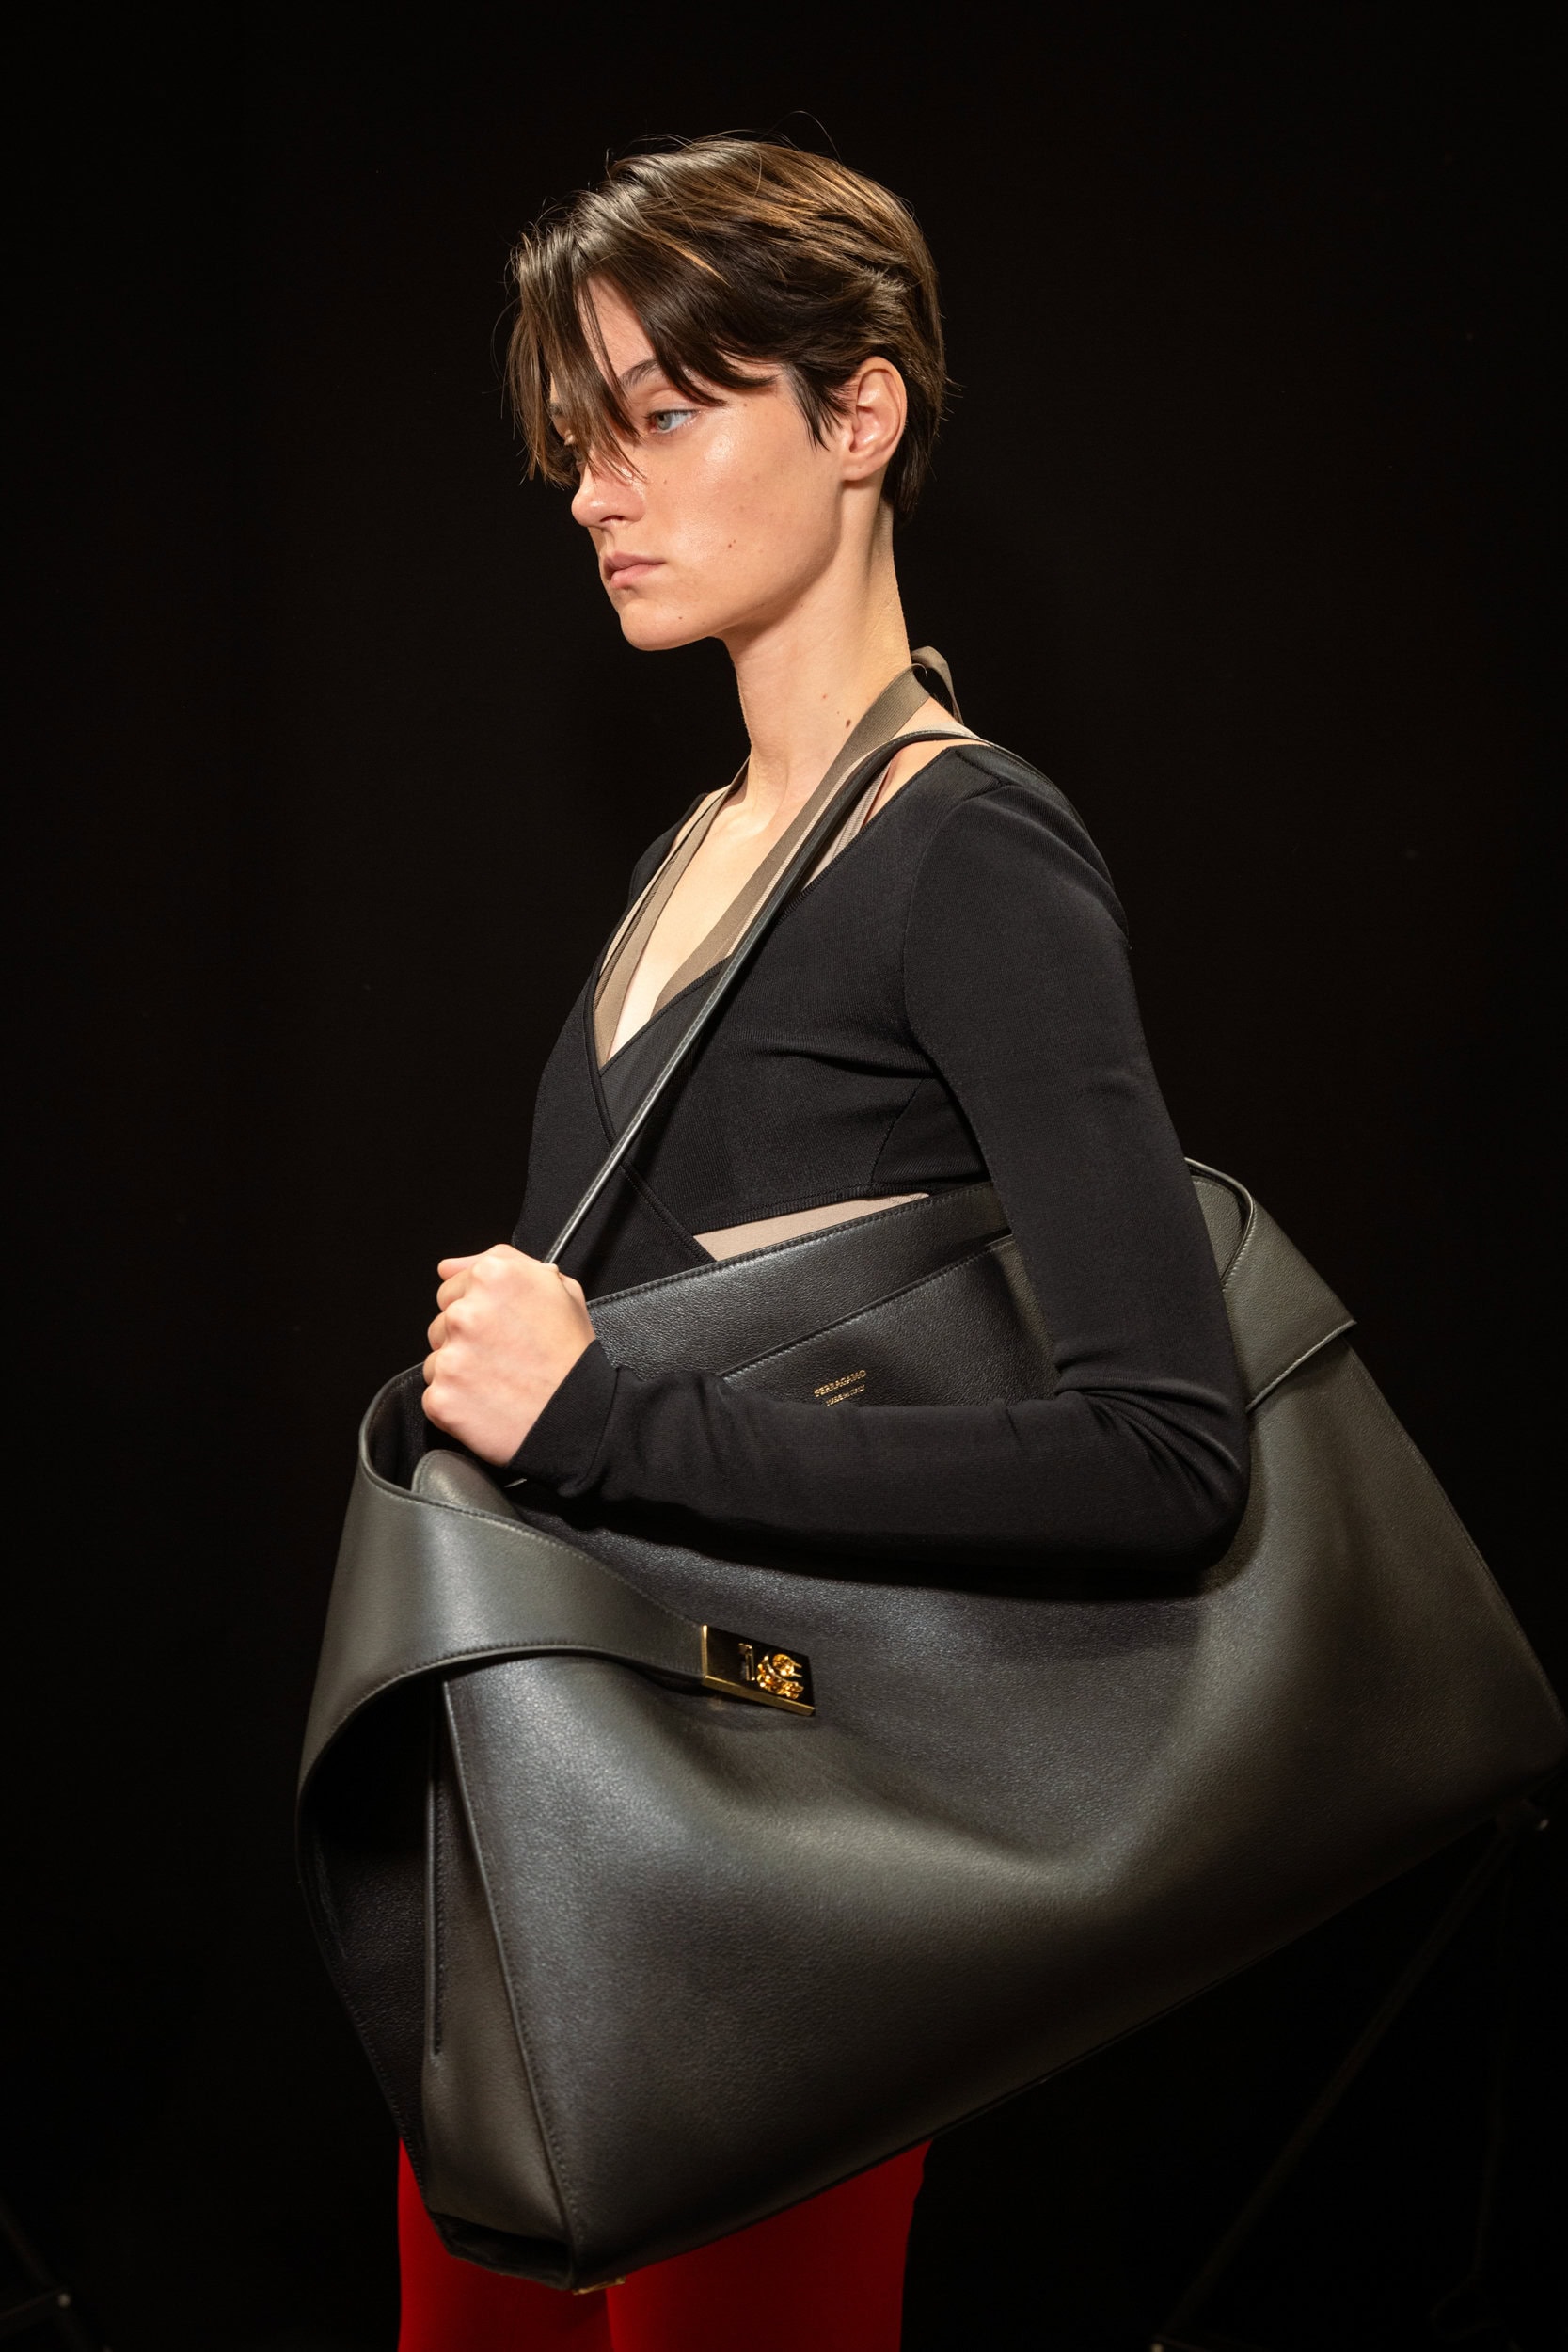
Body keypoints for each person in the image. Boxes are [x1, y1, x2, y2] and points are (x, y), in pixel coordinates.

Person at [402, 135, 1248, 2352]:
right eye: (579, 440)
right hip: (557, 1828)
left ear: (856, 413)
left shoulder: (969, 850)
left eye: (663, 417)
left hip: (776, 1859)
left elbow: (1169, 1453)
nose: (597, 492)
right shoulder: (689, 854)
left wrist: (605, 1416)